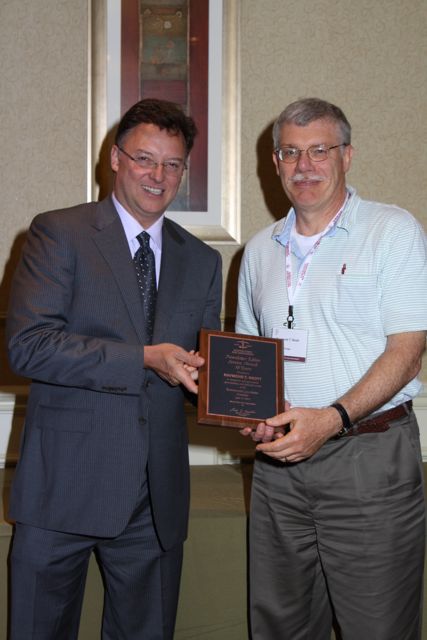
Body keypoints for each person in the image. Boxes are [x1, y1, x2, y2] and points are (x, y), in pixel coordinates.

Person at [6, 98, 222, 639]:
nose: (158, 176)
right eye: (145, 159)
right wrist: (143, 359)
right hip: (63, 487)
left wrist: (242, 399)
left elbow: (201, 372)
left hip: (155, 499)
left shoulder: (202, 260)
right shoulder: (59, 233)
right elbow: (28, 346)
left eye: (172, 164)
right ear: (116, 159)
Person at [236, 97, 427, 640]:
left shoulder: (392, 231)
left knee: (377, 626)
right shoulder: (259, 251)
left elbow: (409, 350)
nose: (305, 166)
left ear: (347, 155)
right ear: (274, 162)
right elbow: (249, 353)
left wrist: (332, 419)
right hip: (279, 466)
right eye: (291, 153)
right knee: (282, 625)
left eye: (319, 150)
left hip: (369, 457)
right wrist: (250, 415)